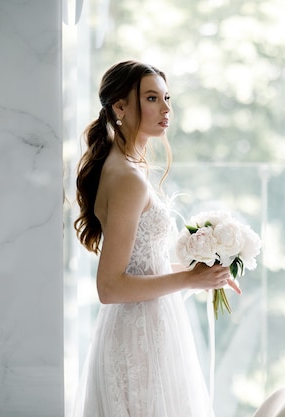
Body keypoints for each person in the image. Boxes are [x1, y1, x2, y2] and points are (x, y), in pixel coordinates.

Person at [72, 60, 241, 417]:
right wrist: (188, 278)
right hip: (138, 340)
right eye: (152, 98)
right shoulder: (127, 178)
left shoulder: (125, 168)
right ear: (120, 106)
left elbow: (143, 265)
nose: (166, 109)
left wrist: (204, 274)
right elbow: (110, 287)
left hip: (148, 328)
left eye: (167, 98)